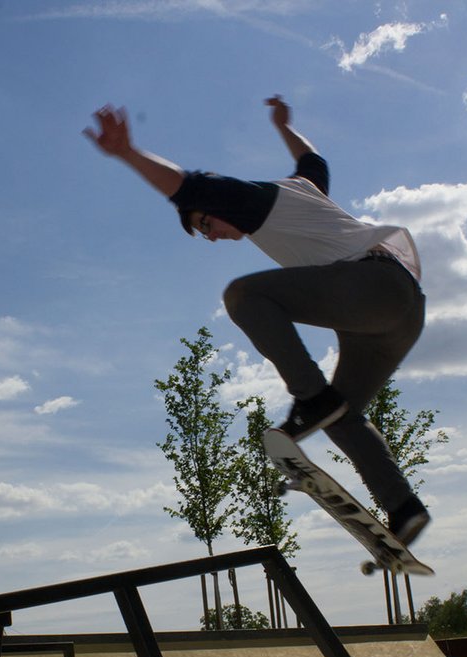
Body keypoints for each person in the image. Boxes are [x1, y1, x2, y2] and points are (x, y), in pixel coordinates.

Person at [83, 95, 431, 546]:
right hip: (399, 314)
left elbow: (188, 186)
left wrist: (128, 153)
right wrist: (284, 126)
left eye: (205, 225)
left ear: (216, 208)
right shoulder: (304, 190)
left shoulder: (251, 201)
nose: (211, 237)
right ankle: (404, 508)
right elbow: (313, 160)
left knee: (243, 295)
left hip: (371, 287)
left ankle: (310, 398)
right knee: (343, 416)